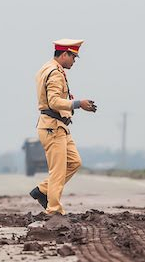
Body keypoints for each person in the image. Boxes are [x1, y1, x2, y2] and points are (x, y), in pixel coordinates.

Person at [29, 39, 97, 215]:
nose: (74, 61)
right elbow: (53, 101)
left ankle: (43, 190)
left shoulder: (48, 68)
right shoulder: (55, 73)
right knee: (58, 171)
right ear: (64, 54)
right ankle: (54, 211)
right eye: (73, 57)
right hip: (53, 127)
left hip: (60, 126)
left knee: (74, 162)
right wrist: (78, 103)